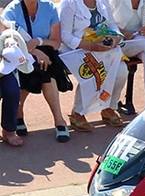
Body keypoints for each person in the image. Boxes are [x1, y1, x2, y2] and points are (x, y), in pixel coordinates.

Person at [2, 0, 71, 142]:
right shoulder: (11, 10)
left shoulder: (49, 7)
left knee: (46, 71)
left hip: (47, 53)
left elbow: (56, 43)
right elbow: (8, 42)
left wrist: (38, 41)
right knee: (36, 72)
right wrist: (34, 52)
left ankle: (58, 120)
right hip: (20, 55)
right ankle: (57, 121)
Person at [59, 0, 127, 132]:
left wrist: (116, 38)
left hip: (100, 49)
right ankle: (77, 112)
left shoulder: (103, 1)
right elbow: (65, 36)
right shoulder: (69, 3)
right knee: (92, 72)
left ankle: (109, 108)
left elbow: (112, 24)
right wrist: (90, 46)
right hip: (75, 50)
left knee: (121, 71)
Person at [0, 29, 34, 147]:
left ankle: (8, 131)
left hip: (2, 65)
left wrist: (10, 41)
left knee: (12, 91)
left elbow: (6, 30)